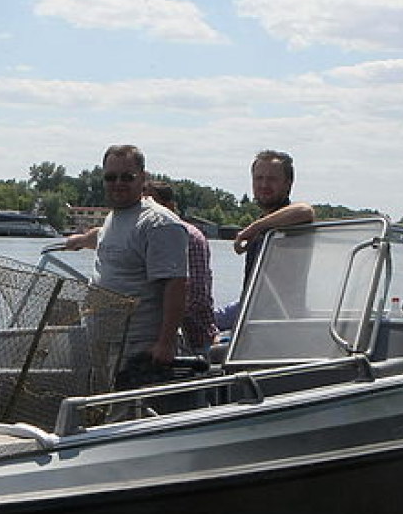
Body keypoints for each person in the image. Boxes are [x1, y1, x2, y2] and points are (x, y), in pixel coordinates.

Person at [90, 145, 189, 378]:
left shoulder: (159, 223)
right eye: (111, 177)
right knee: (101, 411)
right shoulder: (114, 216)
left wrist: (165, 343)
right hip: (103, 339)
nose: (118, 183)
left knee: (127, 414)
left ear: (143, 178)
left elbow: (176, 284)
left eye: (127, 177)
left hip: (138, 345)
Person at [215, 149, 314, 329]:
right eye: (258, 178)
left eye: (272, 179)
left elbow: (306, 211)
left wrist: (255, 228)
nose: (264, 184)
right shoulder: (265, 223)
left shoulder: (292, 224)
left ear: (288, 183)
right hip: (252, 317)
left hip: (281, 323)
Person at [145, 180, 217, 356]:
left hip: (194, 343)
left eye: (152, 203)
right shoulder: (144, 235)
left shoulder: (191, 237)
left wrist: (157, 316)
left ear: (169, 206)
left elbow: (197, 297)